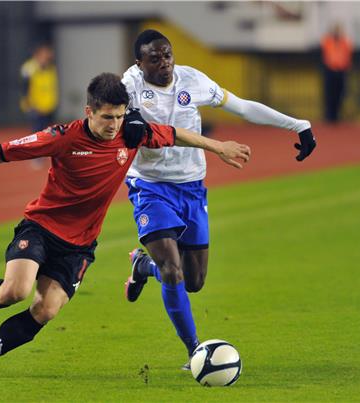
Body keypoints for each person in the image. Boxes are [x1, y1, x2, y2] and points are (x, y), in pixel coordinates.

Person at [0, 72, 251, 379]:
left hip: (79, 246)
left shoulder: (131, 135)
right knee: (15, 291)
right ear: (89, 111)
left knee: (46, 310)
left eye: (120, 116)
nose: (114, 124)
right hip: (41, 228)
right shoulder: (62, 137)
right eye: (107, 116)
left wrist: (219, 146)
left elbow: (176, 134)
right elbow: (4, 151)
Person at [121, 29, 317, 369]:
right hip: (149, 186)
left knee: (193, 281)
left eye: (168, 54)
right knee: (172, 270)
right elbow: (119, 115)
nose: (164, 63)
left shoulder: (192, 81)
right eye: (155, 58)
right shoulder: (130, 86)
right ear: (140, 63)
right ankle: (195, 351)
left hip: (192, 187)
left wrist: (297, 124)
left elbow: (241, 107)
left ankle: (143, 266)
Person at [20, 44, 59, 134]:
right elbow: (23, 87)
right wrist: (28, 104)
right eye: (45, 54)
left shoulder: (51, 68)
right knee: (38, 134)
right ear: (37, 55)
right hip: (35, 107)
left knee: (49, 134)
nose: (48, 56)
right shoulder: (29, 68)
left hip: (48, 106)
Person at [320, 23, 353, 122]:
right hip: (330, 70)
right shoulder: (328, 41)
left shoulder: (345, 41)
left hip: (341, 71)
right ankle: (330, 116)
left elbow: (348, 55)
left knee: (340, 94)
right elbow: (326, 54)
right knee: (330, 94)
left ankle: (337, 115)